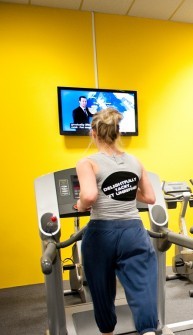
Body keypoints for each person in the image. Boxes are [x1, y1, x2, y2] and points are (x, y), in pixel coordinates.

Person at [75, 107, 159, 335]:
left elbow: (90, 196)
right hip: (134, 231)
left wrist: (80, 205)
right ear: (118, 132)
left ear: (94, 133)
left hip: (102, 232)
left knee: (102, 289)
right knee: (142, 285)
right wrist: (127, 190)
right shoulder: (135, 161)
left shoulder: (87, 163)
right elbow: (150, 197)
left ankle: (107, 332)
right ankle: (149, 331)